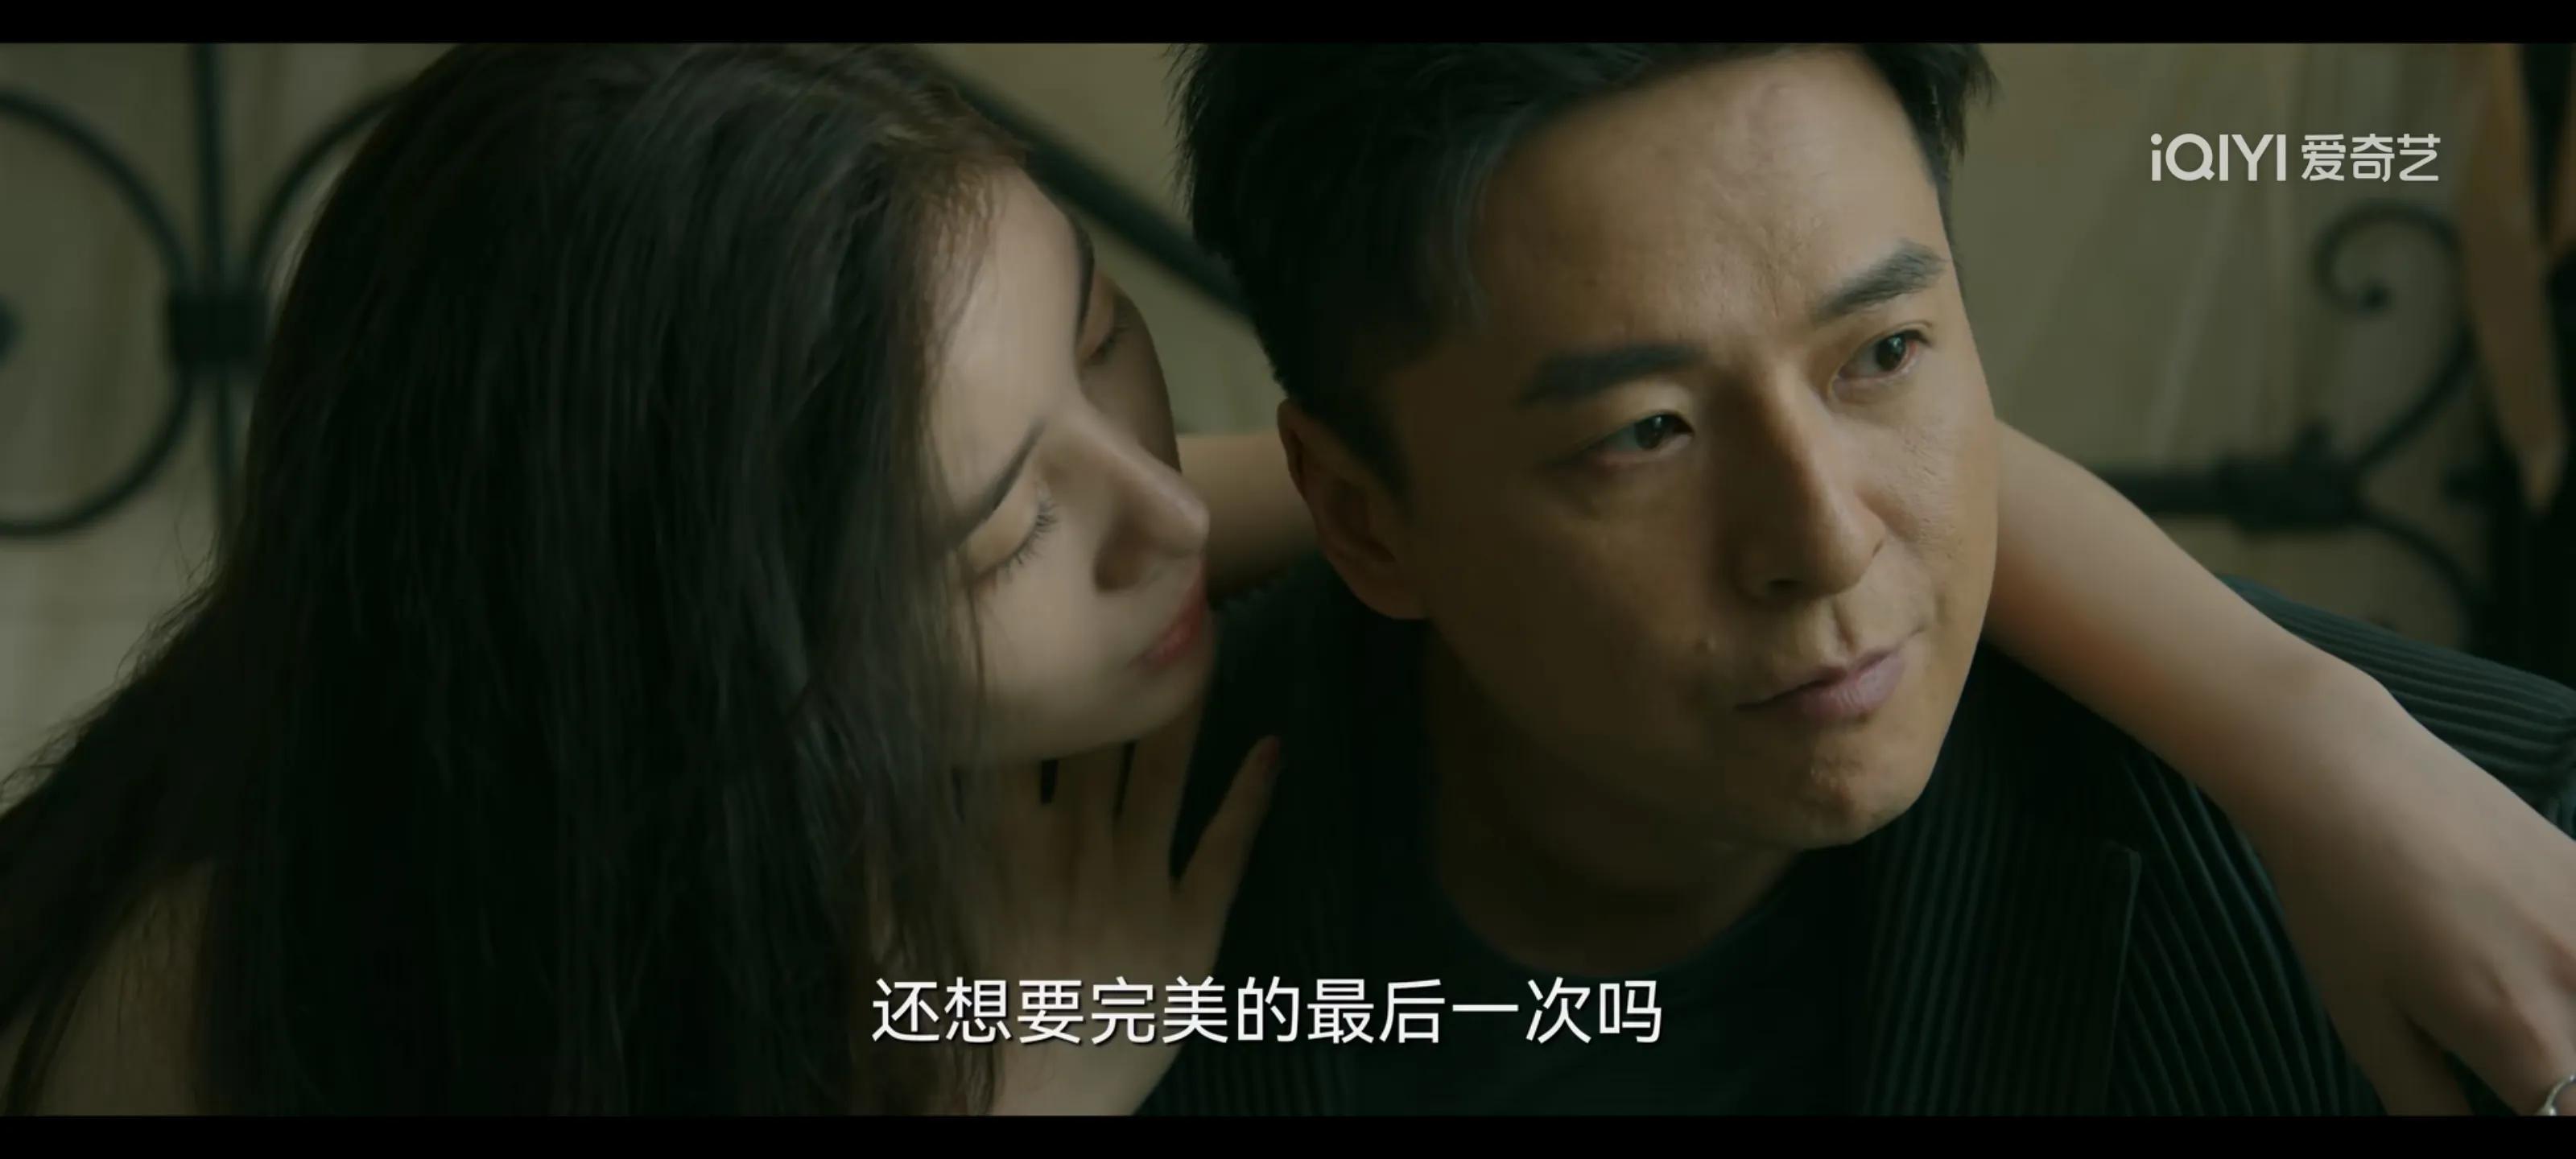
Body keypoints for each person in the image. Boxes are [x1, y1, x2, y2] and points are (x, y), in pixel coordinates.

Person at [0, 42, 2566, 1116]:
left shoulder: (1199, 541)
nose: (1170, 502)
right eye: (1009, 524)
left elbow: (1857, 478)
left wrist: (2318, 742)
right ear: (734, 684)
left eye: (1107, 355)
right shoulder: (213, 1010)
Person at [1143, 42, 2576, 1116]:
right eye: (1645, 433)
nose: (1827, 539)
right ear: (1364, 517)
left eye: (1884, 353)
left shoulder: (2486, 868)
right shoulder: (1059, 907)